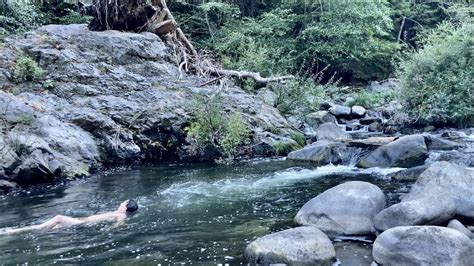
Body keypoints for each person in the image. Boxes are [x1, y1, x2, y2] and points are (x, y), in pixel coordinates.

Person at [1, 199, 138, 235]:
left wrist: (109, 230)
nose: (120, 203)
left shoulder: (121, 215)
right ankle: (16, 232)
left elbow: (119, 225)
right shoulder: (117, 213)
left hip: (81, 224)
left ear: (125, 207)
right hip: (80, 222)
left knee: (59, 217)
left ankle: (16, 231)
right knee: (53, 228)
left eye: (123, 202)